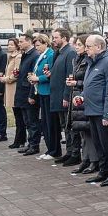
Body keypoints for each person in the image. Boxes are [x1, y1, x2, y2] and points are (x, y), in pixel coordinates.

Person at [81, 34, 108, 186]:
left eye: (88, 46)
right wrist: (82, 96)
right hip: (92, 109)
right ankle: (103, 171)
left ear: (99, 47)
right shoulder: (92, 61)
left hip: (102, 111)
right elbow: (91, 84)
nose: (86, 49)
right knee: (98, 144)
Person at [68, 35, 99, 175]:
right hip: (77, 97)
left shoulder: (89, 61)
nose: (77, 47)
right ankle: (85, 159)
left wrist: (77, 83)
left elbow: (90, 81)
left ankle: (94, 160)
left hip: (86, 97)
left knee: (89, 131)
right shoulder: (77, 59)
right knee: (82, 131)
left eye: (80, 45)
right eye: (77, 44)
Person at [49, 28, 76, 163]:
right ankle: (69, 152)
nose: (53, 40)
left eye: (56, 37)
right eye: (53, 37)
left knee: (68, 125)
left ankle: (73, 153)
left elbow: (70, 75)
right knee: (64, 125)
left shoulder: (70, 52)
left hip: (63, 96)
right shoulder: (59, 52)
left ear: (64, 38)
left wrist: (66, 96)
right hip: (57, 95)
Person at [27, 34, 55, 156]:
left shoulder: (50, 55)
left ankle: (53, 149)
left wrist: (38, 78)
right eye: (35, 46)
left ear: (45, 43)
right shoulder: (41, 55)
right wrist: (33, 78)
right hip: (41, 91)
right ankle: (49, 149)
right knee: (44, 121)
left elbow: (51, 73)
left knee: (49, 122)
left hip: (47, 91)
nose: (36, 48)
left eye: (38, 45)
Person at [14, 34, 41, 155]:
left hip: (28, 93)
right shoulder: (25, 54)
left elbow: (33, 76)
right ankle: (30, 143)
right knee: (27, 121)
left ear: (29, 42)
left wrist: (32, 95)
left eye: (21, 42)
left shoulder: (34, 55)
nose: (19, 44)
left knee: (32, 121)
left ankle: (34, 145)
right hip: (22, 92)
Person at [1, 38, 23, 148]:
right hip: (10, 88)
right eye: (8, 44)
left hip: (15, 89)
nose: (9, 46)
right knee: (17, 115)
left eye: (11, 44)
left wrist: (6, 79)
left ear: (17, 46)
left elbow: (16, 74)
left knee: (19, 116)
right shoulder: (10, 57)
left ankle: (19, 140)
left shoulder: (18, 57)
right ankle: (20, 139)